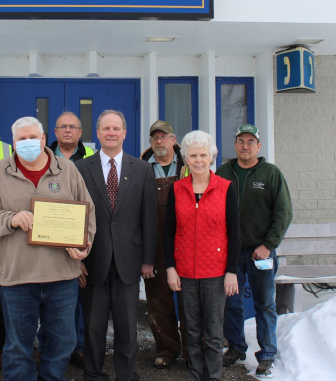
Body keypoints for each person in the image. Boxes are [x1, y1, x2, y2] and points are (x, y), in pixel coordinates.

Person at [0, 116, 96, 381]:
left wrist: (84, 244)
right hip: (17, 276)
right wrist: (11, 219)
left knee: (62, 342)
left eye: (32, 137)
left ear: (43, 139)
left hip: (62, 276)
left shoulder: (67, 170)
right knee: (18, 346)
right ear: (14, 142)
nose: (28, 142)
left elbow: (87, 213)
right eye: (22, 139)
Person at [76, 110, 157, 381]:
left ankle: (127, 375)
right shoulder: (81, 168)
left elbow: (149, 218)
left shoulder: (142, 169)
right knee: (93, 327)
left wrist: (148, 260)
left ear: (124, 133)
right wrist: (77, 260)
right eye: (106, 128)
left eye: (116, 128)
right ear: (97, 133)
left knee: (127, 328)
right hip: (92, 260)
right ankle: (93, 374)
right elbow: (75, 215)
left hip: (129, 261)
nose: (111, 133)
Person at [217, 124, 293, 379]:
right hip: (231, 253)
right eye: (241, 141)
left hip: (261, 253)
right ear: (235, 145)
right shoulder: (224, 172)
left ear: (258, 146)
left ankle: (267, 353)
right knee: (232, 302)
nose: (245, 146)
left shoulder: (271, 174)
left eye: (250, 141)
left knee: (265, 304)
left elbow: (283, 213)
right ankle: (236, 347)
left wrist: (268, 245)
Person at [163, 130, 240, 381]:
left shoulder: (226, 188)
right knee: (192, 331)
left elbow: (234, 233)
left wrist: (231, 271)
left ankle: (214, 376)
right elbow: (169, 231)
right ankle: (196, 375)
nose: (198, 160)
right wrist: (170, 267)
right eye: (193, 155)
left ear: (211, 157)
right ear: (185, 158)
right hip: (185, 272)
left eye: (203, 155)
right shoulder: (177, 189)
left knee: (214, 333)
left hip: (216, 273)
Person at [40, 111, 95, 369]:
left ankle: (79, 348)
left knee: (79, 303)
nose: (68, 130)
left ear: (81, 132)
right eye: (63, 126)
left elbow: (93, 207)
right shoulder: (43, 158)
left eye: (73, 127)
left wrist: (82, 254)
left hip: (81, 242)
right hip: (47, 243)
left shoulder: (92, 159)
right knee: (48, 302)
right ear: (55, 132)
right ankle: (48, 348)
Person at [139, 120, 189, 369]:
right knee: (159, 300)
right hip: (155, 243)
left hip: (187, 243)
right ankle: (167, 349)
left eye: (164, 136)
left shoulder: (188, 165)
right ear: (150, 142)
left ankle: (193, 350)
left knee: (190, 300)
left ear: (173, 139)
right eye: (155, 137)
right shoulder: (140, 168)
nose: (159, 141)